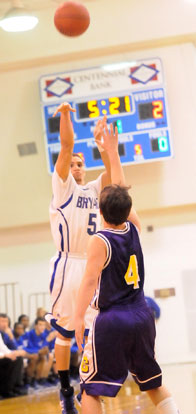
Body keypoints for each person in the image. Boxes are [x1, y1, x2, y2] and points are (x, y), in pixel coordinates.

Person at [74, 124, 180, 414]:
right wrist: (111, 152)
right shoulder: (134, 226)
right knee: (153, 384)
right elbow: (121, 188)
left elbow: (87, 283)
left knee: (90, 390)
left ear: (101, 209)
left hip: (113, 319)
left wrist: (77, 318)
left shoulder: (100, 240)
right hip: (142, 315)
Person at [45, 102, 113, 414]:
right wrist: (67, 115)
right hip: (67, 264)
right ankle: (63, 388)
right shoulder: (62, 187)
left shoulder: (95, 188)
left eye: (80, 163)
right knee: (65, 332)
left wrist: (102, 145)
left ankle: (87, 385)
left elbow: (112, 172)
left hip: (90, 266)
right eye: (72, 163)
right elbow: (67, 144)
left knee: (90, 329)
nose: (76, 167)